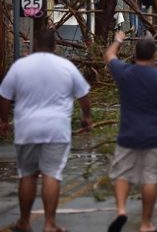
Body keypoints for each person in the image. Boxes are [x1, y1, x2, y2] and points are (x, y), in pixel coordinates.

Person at [0, 29, 92, 232]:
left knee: (27, 175)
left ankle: (24, 222)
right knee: (52, 174)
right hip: (56, 129)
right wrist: (87, 117)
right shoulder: (66, 66)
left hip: (27, 129)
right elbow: (84, 95)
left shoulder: (20, 67)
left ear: (34, 44)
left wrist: (3, 121)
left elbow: (5, 96)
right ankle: (50, 224)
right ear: (55, 46)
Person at [104, 31, 157, 232]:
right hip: (154, 136)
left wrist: (118, 41)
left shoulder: (124, 72)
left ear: (135, 54)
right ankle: (145, 224)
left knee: (122, 174)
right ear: (154, 55)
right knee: (151, 178)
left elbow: (109, 56)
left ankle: (121, 211)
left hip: (127, 135)